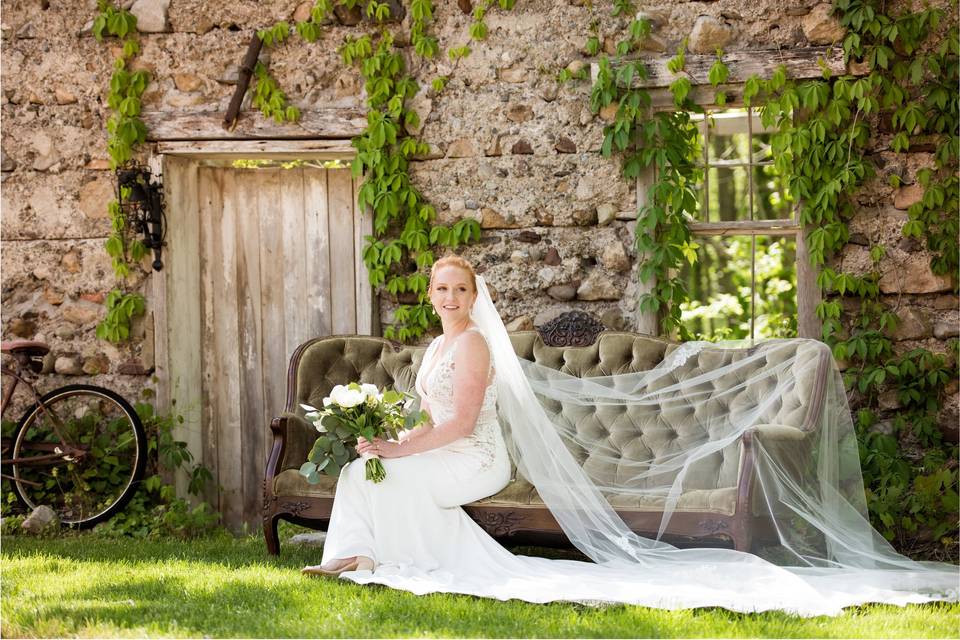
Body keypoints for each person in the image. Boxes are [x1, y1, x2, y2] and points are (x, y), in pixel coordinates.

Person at [301, 255, 958, 615]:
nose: (448, 297)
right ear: (431, 294)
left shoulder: (473, 347)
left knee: (380, 470)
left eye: (459, 288)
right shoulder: (434, 347)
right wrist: (383, 434)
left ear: (475, 296)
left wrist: (397, 449)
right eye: (440, 288)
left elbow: (462, 425)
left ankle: (376, 557)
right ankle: (359, 557)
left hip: (476, 460)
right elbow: (424, 416)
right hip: (439, 449)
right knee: (369, 470)